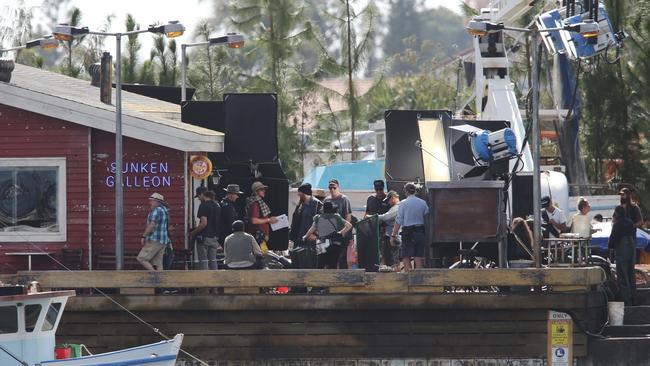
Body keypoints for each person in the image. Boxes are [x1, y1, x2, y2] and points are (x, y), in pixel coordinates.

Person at [302, 201, 353, 269]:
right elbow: (349, 226)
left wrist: (305, 236)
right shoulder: (336, 217)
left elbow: (312, 229)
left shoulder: (318, 218)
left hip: (322, 245)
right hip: (334, 244)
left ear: (323, 208)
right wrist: (340, 233)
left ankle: (321, 279)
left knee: (320, 266)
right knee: (333, 266)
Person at [391, 183, 429, 270]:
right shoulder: (422, 203)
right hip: (420, 232)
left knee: (406, 257)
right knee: (418, 257)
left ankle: (409, 279)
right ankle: (419, 280)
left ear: (405, 191)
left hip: (408, 233)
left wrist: (393, 235)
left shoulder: (403, 203)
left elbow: (399, 220)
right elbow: (426, 213)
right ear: (415, 191)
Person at [608, 205, 637, 305]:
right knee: (631, 274)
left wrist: (610, 247)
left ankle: (627, 302)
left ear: (617, 213)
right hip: (632, 249)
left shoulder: (617, 224)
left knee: (622, 275)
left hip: (622, 251)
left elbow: (612, 240)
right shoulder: (630, 222)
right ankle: (634, 299)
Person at [137, 193, 171, 271]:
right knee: (158, 264)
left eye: (152, 201)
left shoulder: (157, 210)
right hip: (163, 240)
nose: (150, 202)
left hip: (155, 239)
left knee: (141, 258)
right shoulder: (164, 210)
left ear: (157, 202)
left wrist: (143, 236)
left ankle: (155, 276)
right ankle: (160, 281)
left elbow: (152, 224)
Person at [324, 179, 353, 268]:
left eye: (334, 187)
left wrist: (343, 233)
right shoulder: (326, 200)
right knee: (330, 259)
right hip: (330, 234)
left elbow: (348, 217)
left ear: (338, 187)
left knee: (342, 259)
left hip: (342, 234)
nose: (332, 190)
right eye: (330, 188)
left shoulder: (344, 199)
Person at [190, 190, 221, 270]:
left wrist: (193, 233)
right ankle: (215, 278)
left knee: (203, 260)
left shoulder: (203, 205)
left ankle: (205, 280)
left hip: (204, 237)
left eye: (199, 196)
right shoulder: (217, 206)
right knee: (213, 260)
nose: (199, 199)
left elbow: (204, 223)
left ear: (203, 194)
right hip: (214, 237)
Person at [245, 181, 279, 251]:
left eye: (264, 189)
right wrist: (269, 220)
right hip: (258, 237)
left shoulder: (258, 202)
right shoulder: (255, 204)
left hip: (259, 237)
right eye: (261, 189)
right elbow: (254, 220)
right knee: (261, 257)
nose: (264, 191)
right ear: (256, 191)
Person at [290, 183, 322, 249]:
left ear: (304, 193)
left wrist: (316, 236)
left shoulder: (317, 204)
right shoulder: (300, 205)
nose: (298, 194)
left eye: (299, 193)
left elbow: (323, 222)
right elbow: (295, 221)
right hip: (299, 241)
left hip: (311, 243)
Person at [377, 190, 401, 269]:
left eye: (388, 200)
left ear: (393, 198)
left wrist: (374, 217)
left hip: (393, 236)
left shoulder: (397, 207)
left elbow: (386, 217)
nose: (388, 203)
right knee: (392, 259)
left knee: (393, 259)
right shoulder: (396, 207)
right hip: (393, 235)